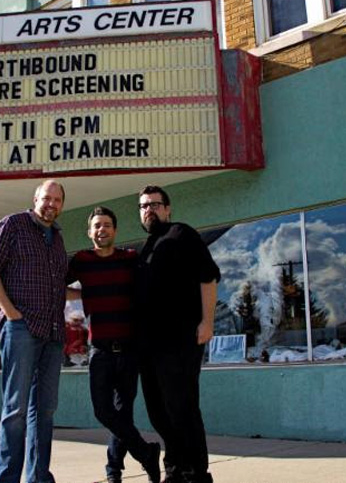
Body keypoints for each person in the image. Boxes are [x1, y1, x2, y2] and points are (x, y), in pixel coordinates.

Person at [0, 180, 68, 483]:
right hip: (22, 329)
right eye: (47, 198)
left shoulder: (57, 238)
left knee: (44, 411)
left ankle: (38, 477)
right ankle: (5, 479)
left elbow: (58, 286)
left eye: (57, 200)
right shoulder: (14, 224)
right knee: (15, 410)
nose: (51, 204)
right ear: (35, 199)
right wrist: (10, 313)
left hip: (53, 334)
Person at [67, 206, 161, 483]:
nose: (102, 229)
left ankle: (113, 472)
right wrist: (82, 295)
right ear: (90, 232)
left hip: (129, 350)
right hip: (100, 351)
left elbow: (149, 287)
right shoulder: (82, 260)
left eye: (107, 224)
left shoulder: (130, 258)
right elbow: (55, 284)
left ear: (115, 230)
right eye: (97, 225)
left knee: (123, 415)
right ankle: (146, 453)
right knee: (103, 411)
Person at [135, 185, 220, 483]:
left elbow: (208, 277)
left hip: (180, 340)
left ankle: (196, 472)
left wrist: (207, 322)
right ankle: (174, 467)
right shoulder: (146, 247)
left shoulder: (182, 234)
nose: (149, 210)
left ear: (168, 209)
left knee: (181, 406)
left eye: (155, 204)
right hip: (148, 346)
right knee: (157, 410)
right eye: (144, 206)